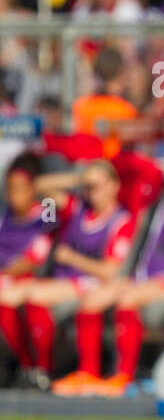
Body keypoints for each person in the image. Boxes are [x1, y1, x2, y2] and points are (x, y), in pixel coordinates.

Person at [53, 142, 164, 397]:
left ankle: (123, 376)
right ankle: (88, 373)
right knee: (91, 300)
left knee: (126, 299)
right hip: (146, 278)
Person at [2, 160, 135, 393]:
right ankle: (27, 366)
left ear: (114, 186)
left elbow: (109, 271)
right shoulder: (78, 208)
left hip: (89, 282)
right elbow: (41, 186)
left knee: (34, 295)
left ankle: (44, 368)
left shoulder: (121, 220)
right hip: (63, 281)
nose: (94, 192)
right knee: (7, 297)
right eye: (90, 187)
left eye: (99, 185)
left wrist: (73, 258)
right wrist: (80, 178)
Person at [0, 153, 57, 388]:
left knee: (20, 300)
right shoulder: (6, 216)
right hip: (7, 279)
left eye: (21, 187)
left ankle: (40, 366)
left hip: (34, 277)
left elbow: (38, 256)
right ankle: (24, 365)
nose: (15, 195)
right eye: (10, 188)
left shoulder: (45, 212)